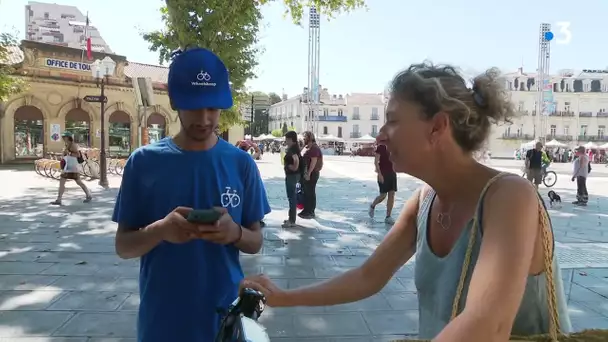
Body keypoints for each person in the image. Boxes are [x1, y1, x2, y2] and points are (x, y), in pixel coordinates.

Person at [242, 63, 571, 340]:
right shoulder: (423, 202)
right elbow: (368, 277)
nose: (382, 134)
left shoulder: (510, 197)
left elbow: (488, 323)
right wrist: (284, 298)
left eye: (394, 120)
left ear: (437, 127)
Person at [112, 47, 270, 342]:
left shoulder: (241, 163)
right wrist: (160, 230)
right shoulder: (142, 162)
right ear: (174, 102)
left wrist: (234, 233)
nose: (204, 118)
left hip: (225, 319)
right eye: (194, 107)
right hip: (162, 321)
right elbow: (123, 246)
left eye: (212, 108)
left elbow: (256, 241)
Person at [50, 132, 92, 205]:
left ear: (68, 137)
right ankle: (59, 199)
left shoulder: (73, 145)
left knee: (79, 182)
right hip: (67, 167)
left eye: (64, 137)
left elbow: (78, 155)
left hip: (72, 167)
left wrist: (68, 153)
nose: (63, 138)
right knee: (62, 182)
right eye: (63, 137)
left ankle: (88, 195)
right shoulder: (67, 144)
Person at [368, 143, 396, 224]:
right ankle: (372, 205)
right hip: (383, 173)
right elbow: (376, 161)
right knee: (383, 195)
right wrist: (379, 174)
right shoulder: (381, 147)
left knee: (392, 194)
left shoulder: (394, 145)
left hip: (392, 173)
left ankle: (388, 216)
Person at [299, 131, 322, 219]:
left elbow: (313, 161)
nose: (303, 139)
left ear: (310, 138)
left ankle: (310, 211)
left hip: (312, 173)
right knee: (307, 192)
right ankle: (306, 210)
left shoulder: (314, 148)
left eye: (305, 138)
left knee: (310, 192)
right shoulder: (308, 147)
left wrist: (308, 173)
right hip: (307, 173)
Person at [282, 131, 302, 228]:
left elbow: (296, 160)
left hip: (292, 176)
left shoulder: (292, 149)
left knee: (292, 197)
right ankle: (291, 218)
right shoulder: (295, 148)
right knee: (292, 197)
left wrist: (293, 167)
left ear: (291, 139)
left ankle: (292, 220)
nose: (286, 141)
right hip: (294, 175)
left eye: (287, 139)